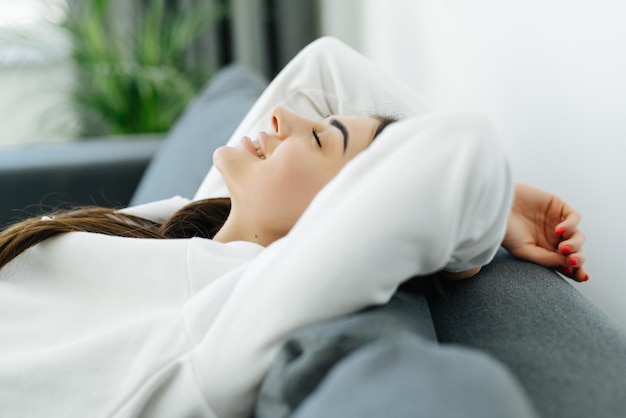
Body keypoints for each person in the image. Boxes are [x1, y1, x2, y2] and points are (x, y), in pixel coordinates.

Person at [0, 37, 587, 417]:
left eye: (317, 138)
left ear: (342, 217)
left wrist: (493, 213)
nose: (282, 114)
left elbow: (463, 150)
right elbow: (324, 63)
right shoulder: (197, 232)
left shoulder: (234, 311)